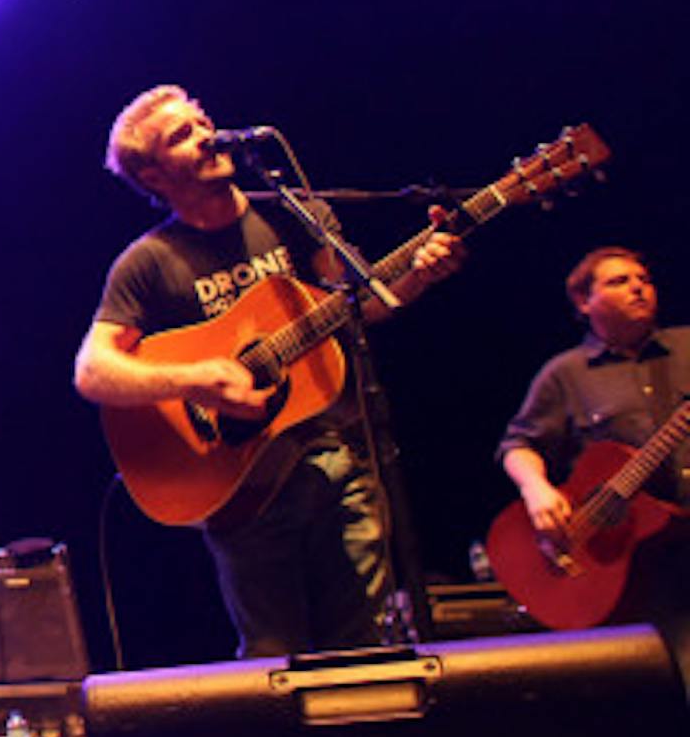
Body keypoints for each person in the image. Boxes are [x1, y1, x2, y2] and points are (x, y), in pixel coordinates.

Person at [73, 85, 462, 659]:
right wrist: (194, 380)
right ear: (154, 175)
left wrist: (418, 274)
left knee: (363, 649)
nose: (206, 136)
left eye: (203, 122)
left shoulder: (294, 216)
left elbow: (363, 304)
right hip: (245, 488)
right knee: (275, 659)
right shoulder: (148, 263)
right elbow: (93, 371)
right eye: (182, 135)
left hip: (339, 457)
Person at [498, 247, 690, 623]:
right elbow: (518, 445)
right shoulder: (566, 374)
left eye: (644, 280)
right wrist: (536, 490)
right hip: (636, 569)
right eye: (619, 281)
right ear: (584, 301)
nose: (638, 288)